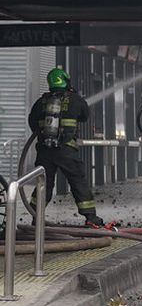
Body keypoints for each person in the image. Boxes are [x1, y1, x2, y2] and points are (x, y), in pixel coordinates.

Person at [28, 67, 106, 228]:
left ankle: (36, 218)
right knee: (78, 181)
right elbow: (85, 115)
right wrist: (74, 95)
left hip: (44, 151)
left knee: (43, 184)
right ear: (65, 81)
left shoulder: (42, 102)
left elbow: (32, 122)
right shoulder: (74, 99)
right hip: (66, 151)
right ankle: (91, 217)